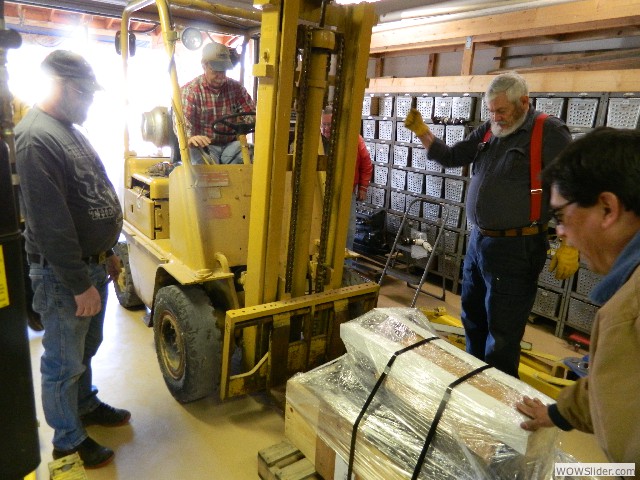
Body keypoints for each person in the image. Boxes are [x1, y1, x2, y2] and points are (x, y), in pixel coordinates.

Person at [404, 72, 576, 377]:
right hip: (479, 243)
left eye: (501, 111)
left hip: (516, 247)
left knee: (503, 333)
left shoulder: (548, 132)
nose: (495, 117)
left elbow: (573, 187)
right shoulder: (489, 130)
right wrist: (423, 133)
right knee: (473, 318)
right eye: (491, 111)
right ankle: (474, 382)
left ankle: (496, 396)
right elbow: (454, 156)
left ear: (524, 102)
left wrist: (569, 243)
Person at [15, 50, 129, 469]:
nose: (89, 102)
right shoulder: (36, 137)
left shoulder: (68, 129)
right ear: (60, 86)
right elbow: (50, 223)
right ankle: (67, 438)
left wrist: (108, 253)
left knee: (88, 346)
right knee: (63, 360)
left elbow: (89, 196)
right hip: (64, 273)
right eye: (84, 94)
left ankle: (84, 405)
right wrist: (79, 282)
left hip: (92, 263)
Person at [516, 127, 640, 467]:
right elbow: (615, 385)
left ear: (607, 208)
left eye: (560, 216)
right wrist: (557, 414)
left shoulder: (631, 311)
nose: (560, 231)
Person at [180, 41, 255, 164]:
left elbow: (250, 114)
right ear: (204, 65)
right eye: (216, 70)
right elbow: (183, 123)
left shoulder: (236, 89)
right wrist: (191, 137)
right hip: (206, 147)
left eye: (223, 70)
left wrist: (249, 121)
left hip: (230, 147)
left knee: (253, 153)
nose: (220, 76)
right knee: (197, 161)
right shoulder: (191, 91)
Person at [321, 106, 372, 252]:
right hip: (320, 191)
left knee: (347, 230)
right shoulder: (316, 142)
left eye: (329, 125)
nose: (326, 129)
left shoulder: (354, 140)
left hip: (346, 192)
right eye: (323, 125)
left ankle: (345, 265)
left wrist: (363, 188)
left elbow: (366, 164)